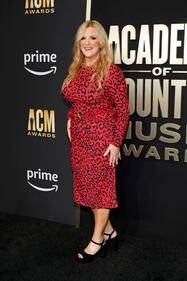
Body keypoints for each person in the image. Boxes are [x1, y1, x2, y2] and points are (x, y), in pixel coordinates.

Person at [61, 19, 129, 263]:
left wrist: (115, 142)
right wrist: (70, 117)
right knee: (88, 191)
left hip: (102, 139)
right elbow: (75, 101)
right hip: (79, 139)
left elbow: (122, 111)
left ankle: (97, 240)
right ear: (78, 43)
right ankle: (110, 231)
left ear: (101, 43)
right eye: (83, 38)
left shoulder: (112, 71)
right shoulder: (75, 69)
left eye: (93, 38)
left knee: (100, 191)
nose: (87, 43)